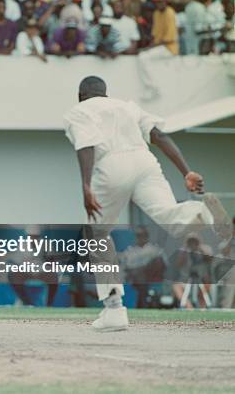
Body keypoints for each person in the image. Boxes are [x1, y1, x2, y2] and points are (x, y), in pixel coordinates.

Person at [63, 76, 231, 331]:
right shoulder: (128, 107)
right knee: (171, 216)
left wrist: (86, 185)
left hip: (111, 165)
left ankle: (114, 309)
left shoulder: (79, 111)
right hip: (145, 162)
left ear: (80, 95)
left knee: (95, 234)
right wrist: (186, 172)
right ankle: (200, 210)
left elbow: (86, 146)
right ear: (106, 94)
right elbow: (159, 135)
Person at [137, 0, 178, 100]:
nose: (158, 4)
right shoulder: (156, 13)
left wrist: (150, 47)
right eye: (156, 2)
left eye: (160, 1)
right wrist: (148, 46)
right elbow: (155, 36)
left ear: (165, 1)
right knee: (143, 55)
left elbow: (169, 38)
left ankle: (153, 88)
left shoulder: (170, 13)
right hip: (160, 47)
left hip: (170, 48)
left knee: (143, 57)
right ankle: (153, 88)